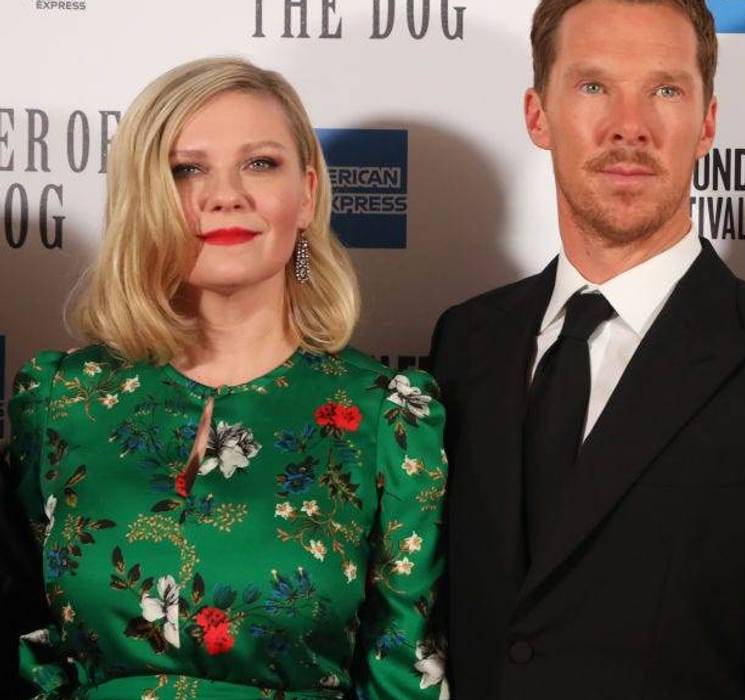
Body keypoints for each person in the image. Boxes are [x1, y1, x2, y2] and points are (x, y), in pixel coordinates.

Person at [427, 1, 745, 697]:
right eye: (593, 86)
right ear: (537, 115)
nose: (630, 126)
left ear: (706, 122)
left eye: (665, 90)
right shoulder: (466, 341)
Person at [4, 57, 448, 699]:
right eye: (187, 169)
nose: (226, 194)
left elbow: (402, 673)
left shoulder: (389, 417)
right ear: (144, 197)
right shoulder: (58, 399)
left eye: (260, 163)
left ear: (310, 195)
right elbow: (23, 647)